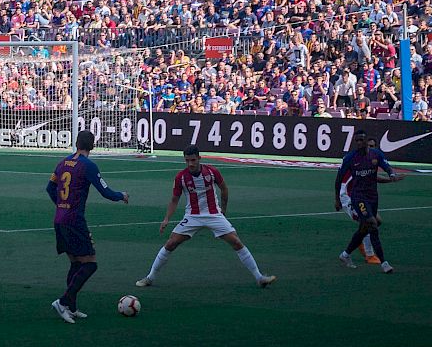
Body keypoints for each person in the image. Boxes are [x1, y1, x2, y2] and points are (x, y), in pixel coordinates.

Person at [135, 146, 275, 288]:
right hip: (193, 216)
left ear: (199, 158)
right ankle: (150, 278)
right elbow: (174, 199)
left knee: (236, 242)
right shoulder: (181, 177)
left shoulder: (212, 172)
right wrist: (166, 219)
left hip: (214, 214)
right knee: (171, 243)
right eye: (187, 160)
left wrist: (223, 212)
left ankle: (259, 277)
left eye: (193, 160)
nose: (190, 163)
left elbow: (224, 189)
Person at [45, 130, 129, 324]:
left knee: (76, 263)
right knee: (90, 263)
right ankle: (63, 302)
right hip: (74, 220)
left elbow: (50, 188)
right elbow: (105, 191)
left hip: (59, 219)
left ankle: (72, 308)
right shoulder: (88, 165)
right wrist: (121, 195)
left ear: (76, 143)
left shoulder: (63, 162)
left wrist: (60, 205)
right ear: (92, 145)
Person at [337, 131, 403, 273]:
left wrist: (391, 175)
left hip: (371, 196)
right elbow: (340, 180)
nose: (360, 143)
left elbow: (381, 171)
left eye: (363, 140)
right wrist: (337, 199)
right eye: (358, 140)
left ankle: (346, 254)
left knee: (372, 223)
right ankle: (380, 260)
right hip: (352, 196)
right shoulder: (351, 158)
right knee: (371, 223)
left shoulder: (376, 155)